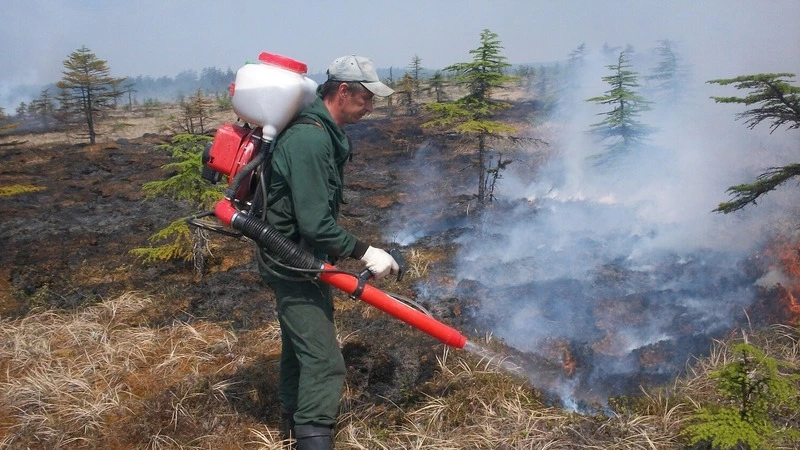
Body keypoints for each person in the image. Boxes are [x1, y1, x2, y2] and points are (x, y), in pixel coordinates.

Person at [254, 55, 399, 450]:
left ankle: (291, 433)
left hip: (303, 260)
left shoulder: (324, 134)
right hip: (291, 262)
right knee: (325, 363)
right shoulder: (310, 140)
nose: (371, 107)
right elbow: (316, 223)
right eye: (367, 98)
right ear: (343, 91)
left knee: (299, 351)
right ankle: (312, 434)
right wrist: (366, 251)